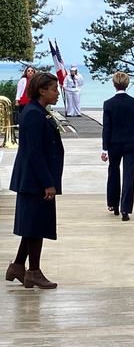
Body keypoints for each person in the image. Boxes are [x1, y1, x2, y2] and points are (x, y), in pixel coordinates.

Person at [6, 73, 63, 289]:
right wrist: (47, 182)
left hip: (36, 178)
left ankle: (19, 266)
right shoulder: (32, 114)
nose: (57, 93)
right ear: (42, 90)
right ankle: (34, 272)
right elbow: (34, 152)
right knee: (36, 226)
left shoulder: (38, 112)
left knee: (33, 225)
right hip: (33, 181)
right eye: (54, 89)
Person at [101, 72, 134, 222]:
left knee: (113, 172)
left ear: (114, 84)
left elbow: (107, 128)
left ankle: (113, 204)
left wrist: (104, 148)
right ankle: (126, 208)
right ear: (127, 84)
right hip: (131, 143)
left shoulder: (108, 104)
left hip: (114, 144)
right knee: (129, 176)